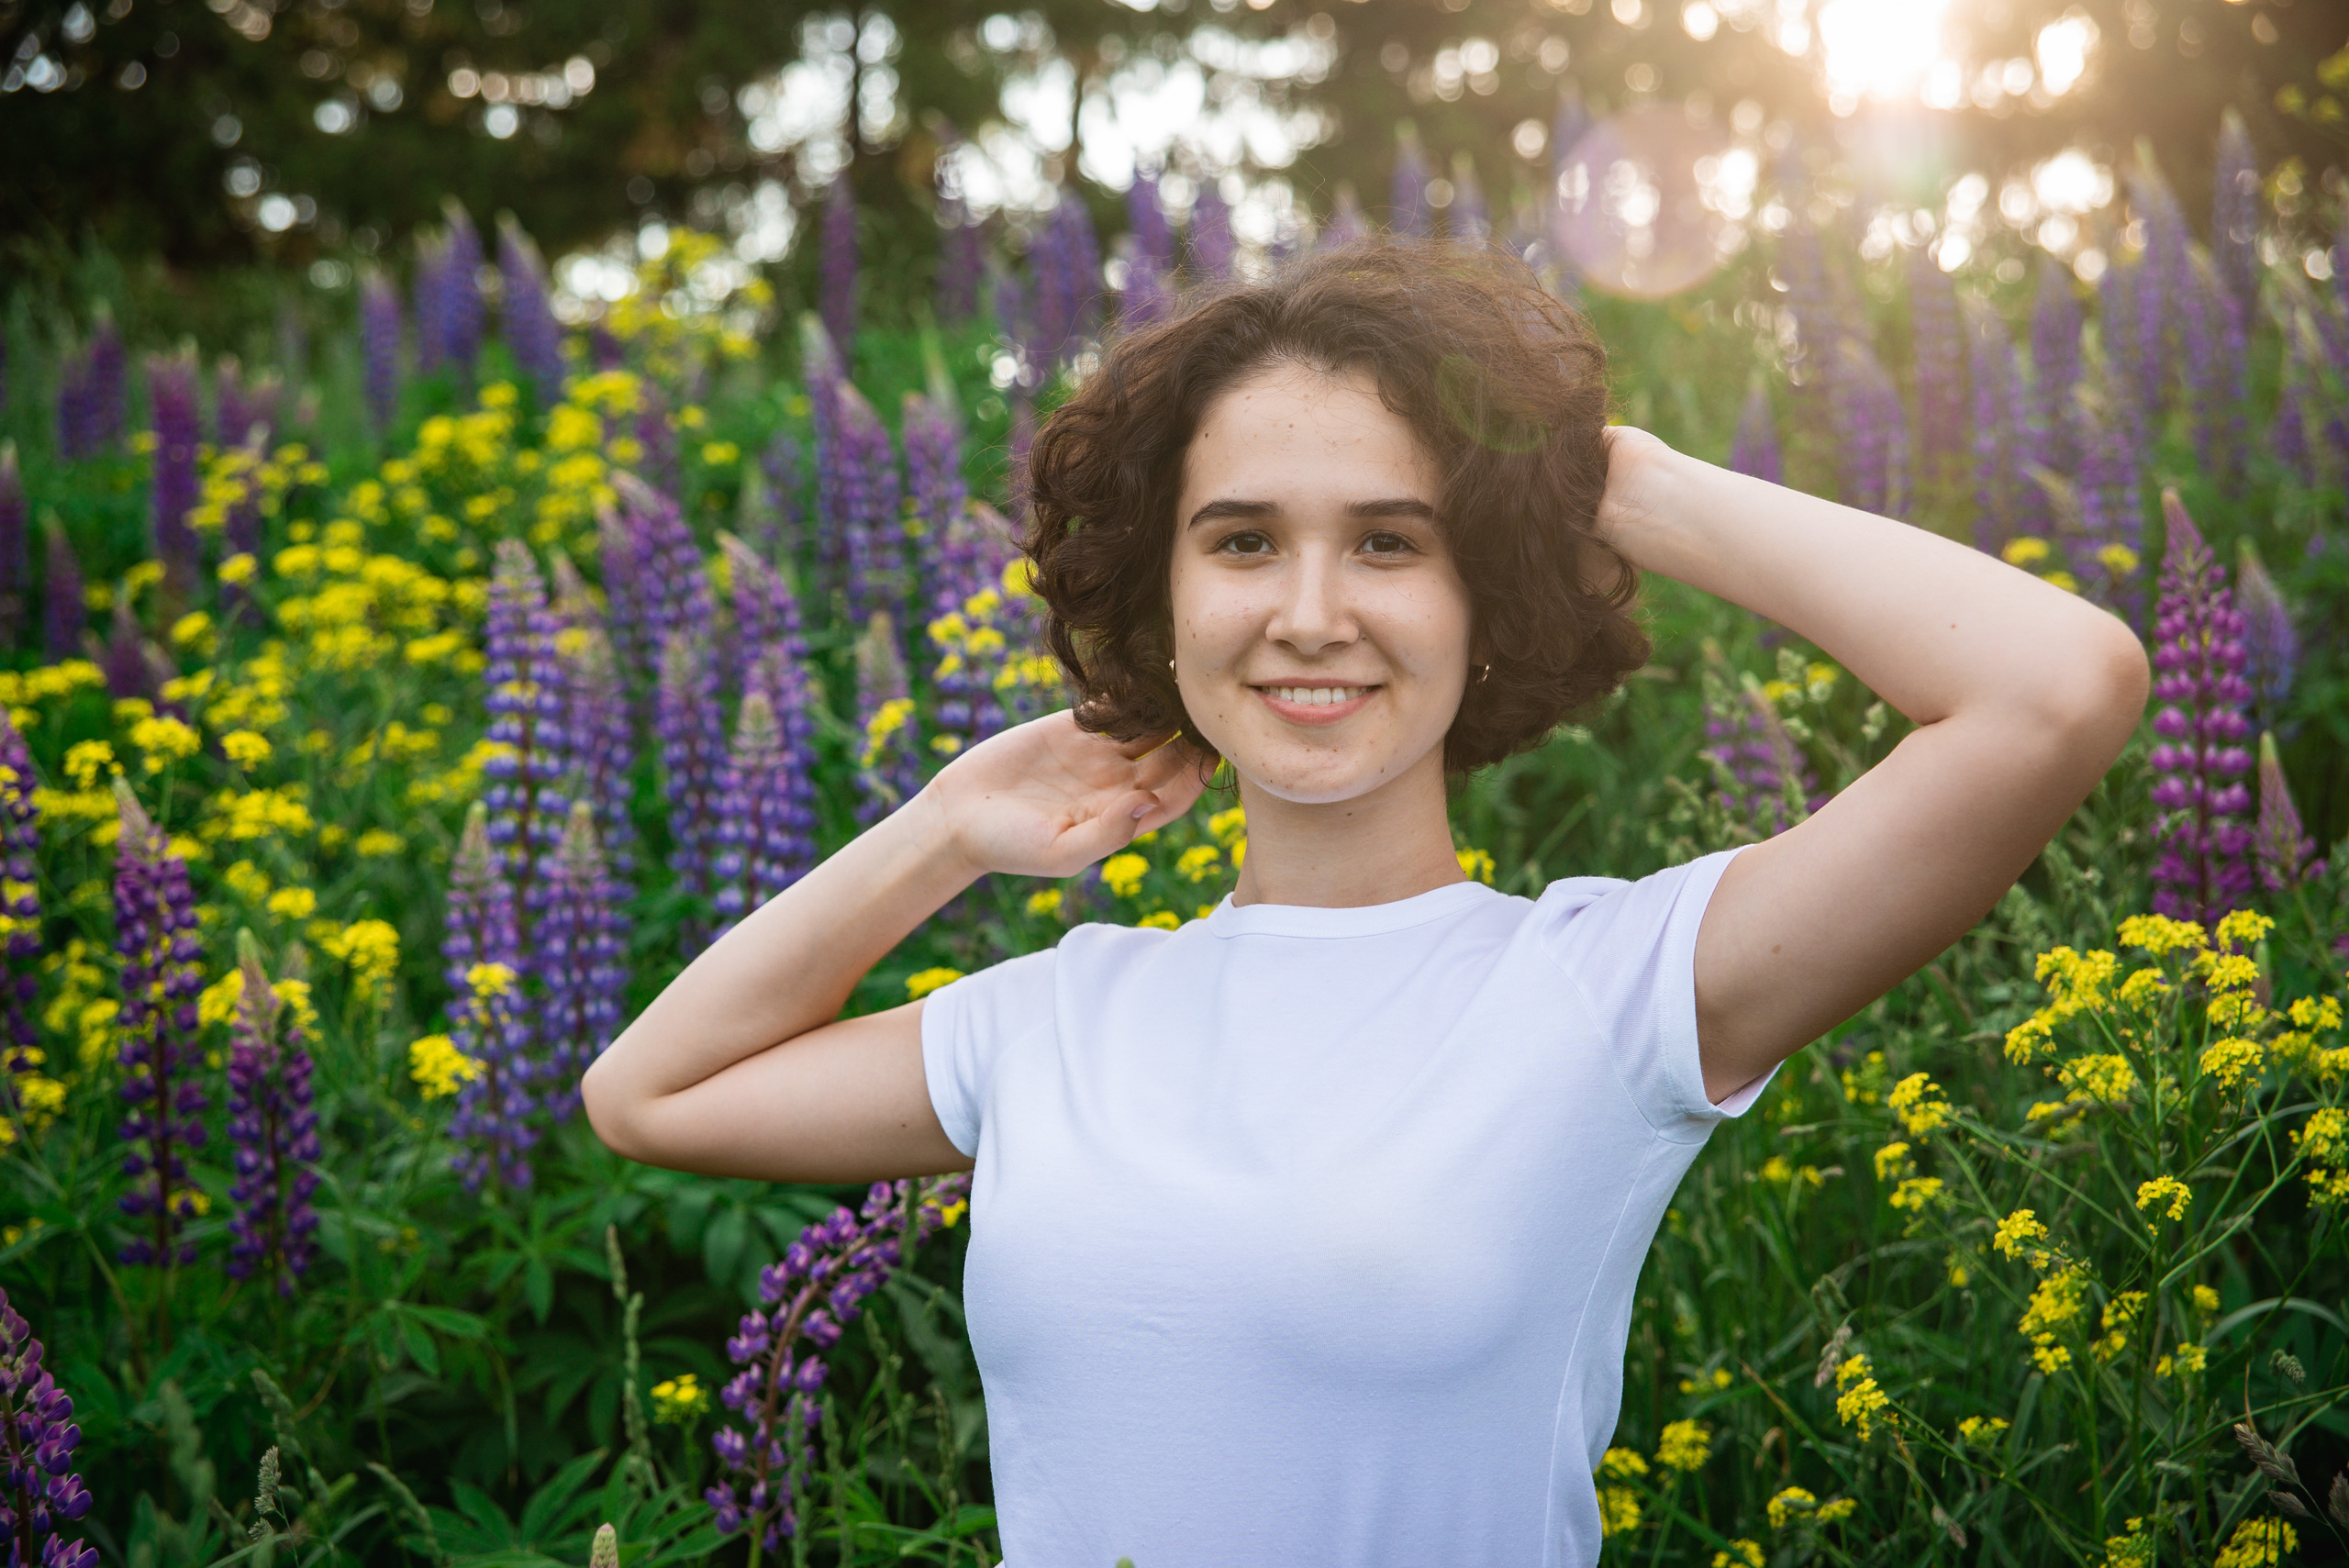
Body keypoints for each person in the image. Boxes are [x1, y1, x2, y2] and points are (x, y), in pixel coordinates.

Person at [580, 237, 2149, 1566]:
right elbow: (651, 1093)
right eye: (1243, 541)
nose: (1311, 614)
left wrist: (1603, 477)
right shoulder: (1060, 1015)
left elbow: (2054, 685)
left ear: (1487, 597)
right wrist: (946, 827)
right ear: (1168, 603)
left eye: (1392, 541)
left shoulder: (1616, 991)